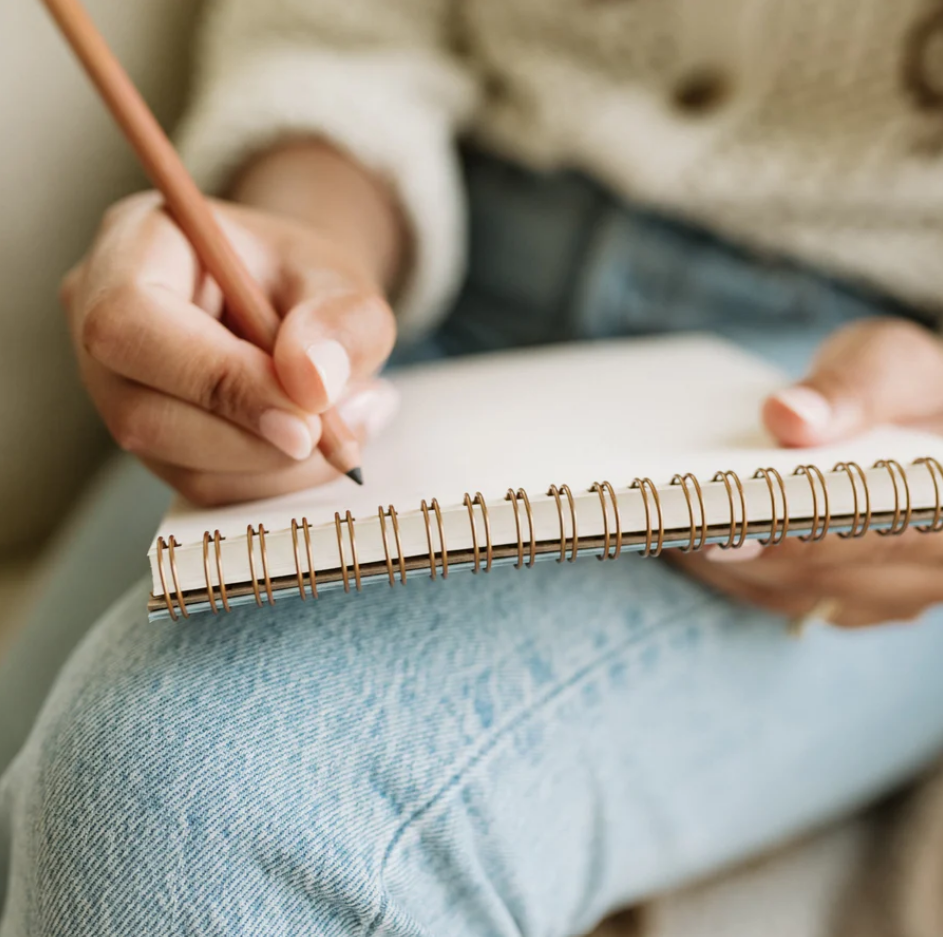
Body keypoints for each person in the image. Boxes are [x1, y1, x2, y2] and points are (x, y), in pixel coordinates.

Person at [3, 2, 943, 934]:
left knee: (191, 799)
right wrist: (298, 250)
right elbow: (341, 29)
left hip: (872, 374)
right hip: (430, 255)